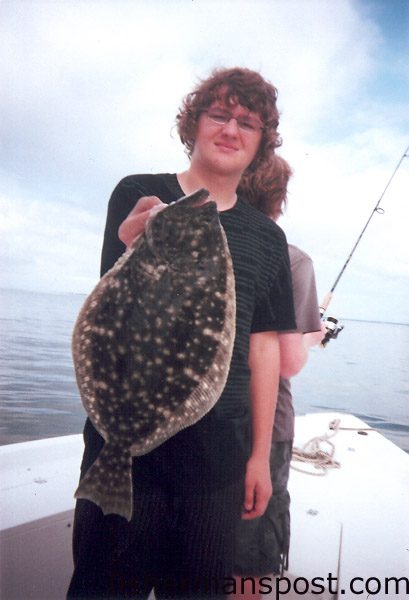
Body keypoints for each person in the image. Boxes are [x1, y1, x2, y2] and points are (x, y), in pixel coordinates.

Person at [67, 67, 296, 600]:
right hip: (121, 452)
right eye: (219, 114)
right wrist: (130, 245)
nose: (231, 129)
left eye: (248, 122)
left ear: (261, 143)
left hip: (216, 463)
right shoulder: (141, 194)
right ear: (193, 124)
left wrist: (259, 458)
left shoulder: (269, 239)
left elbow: (264, 351)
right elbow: (111, 306)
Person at [230, 155, 325, 599]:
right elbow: (287, 362)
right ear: (280, 199)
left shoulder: (212, 243)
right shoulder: (292, 259)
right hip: (265, 430)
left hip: (206, 417)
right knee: (250, 555)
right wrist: (314, 334)